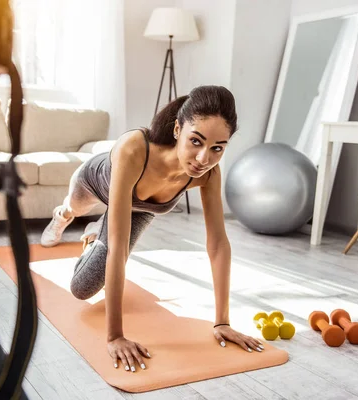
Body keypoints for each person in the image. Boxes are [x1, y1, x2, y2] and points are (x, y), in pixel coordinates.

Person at [40, 85, 264, 373]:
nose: (203, 159)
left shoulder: (207, 175)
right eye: (196, 141)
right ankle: (62, 216)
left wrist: (222, 321)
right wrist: (115, 337)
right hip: (95, 182)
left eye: (217, 148)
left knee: (82, 289)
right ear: (176, 129)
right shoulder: (134, 148)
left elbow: (218, 245)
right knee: (75, 208)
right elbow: (118, 249)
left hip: (140, 207)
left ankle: (99, 230)